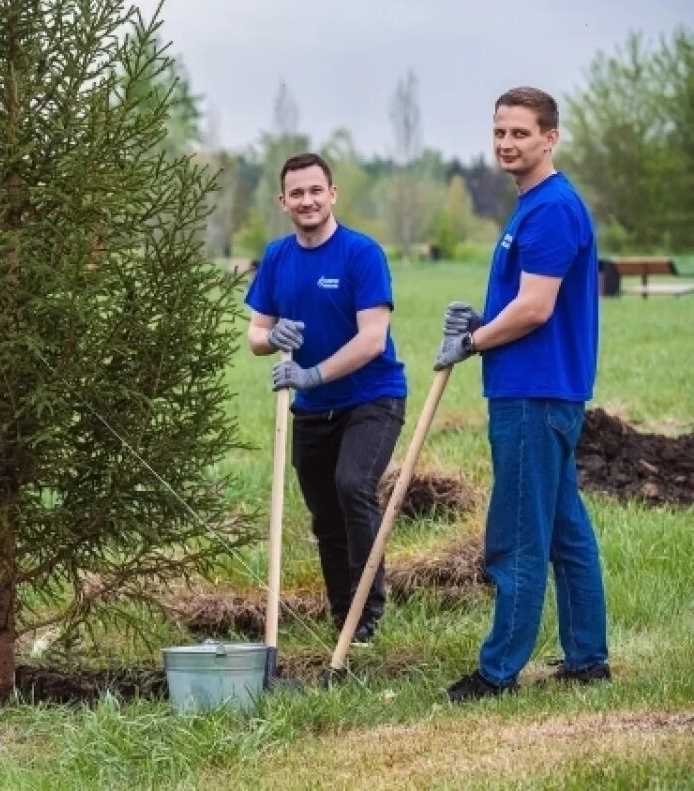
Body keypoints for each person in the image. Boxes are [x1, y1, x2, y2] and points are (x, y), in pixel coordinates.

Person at [434, 87, 609, 703]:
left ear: (550, 138)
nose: (507, 144)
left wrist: (474, 341)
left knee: (515, 536)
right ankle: (588, 659)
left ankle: (498, 672)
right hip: (539, 388)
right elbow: (526, 298)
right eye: (500, 132)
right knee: (564, 530)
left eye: (521, 134)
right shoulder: (534, 205)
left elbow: (535, 309)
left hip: (533, 394)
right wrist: (480, 319)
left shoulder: (551, 209)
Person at [244, 152, 407, 646]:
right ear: (283, 201)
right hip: (313, 412)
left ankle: (367, 612)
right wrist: (273, 340)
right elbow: (256, 332)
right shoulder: (277, 257)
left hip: (371, 398)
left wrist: (312, 373)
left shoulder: (361, 253)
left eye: (316, 190)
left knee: (353, 485)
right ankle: (345, 617)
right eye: (297, 193)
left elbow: (372, 339)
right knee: (325, 516)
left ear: (332, 194)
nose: (307, 200)